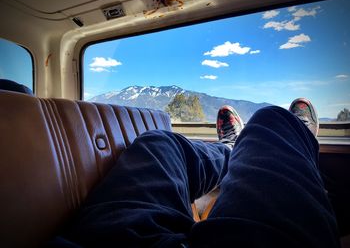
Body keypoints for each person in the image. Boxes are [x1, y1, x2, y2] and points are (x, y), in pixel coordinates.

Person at [50, 98, 339, 248]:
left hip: (101, 242)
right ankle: (270, 140)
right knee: (271, 119)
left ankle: (229, 149)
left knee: (157, 141)